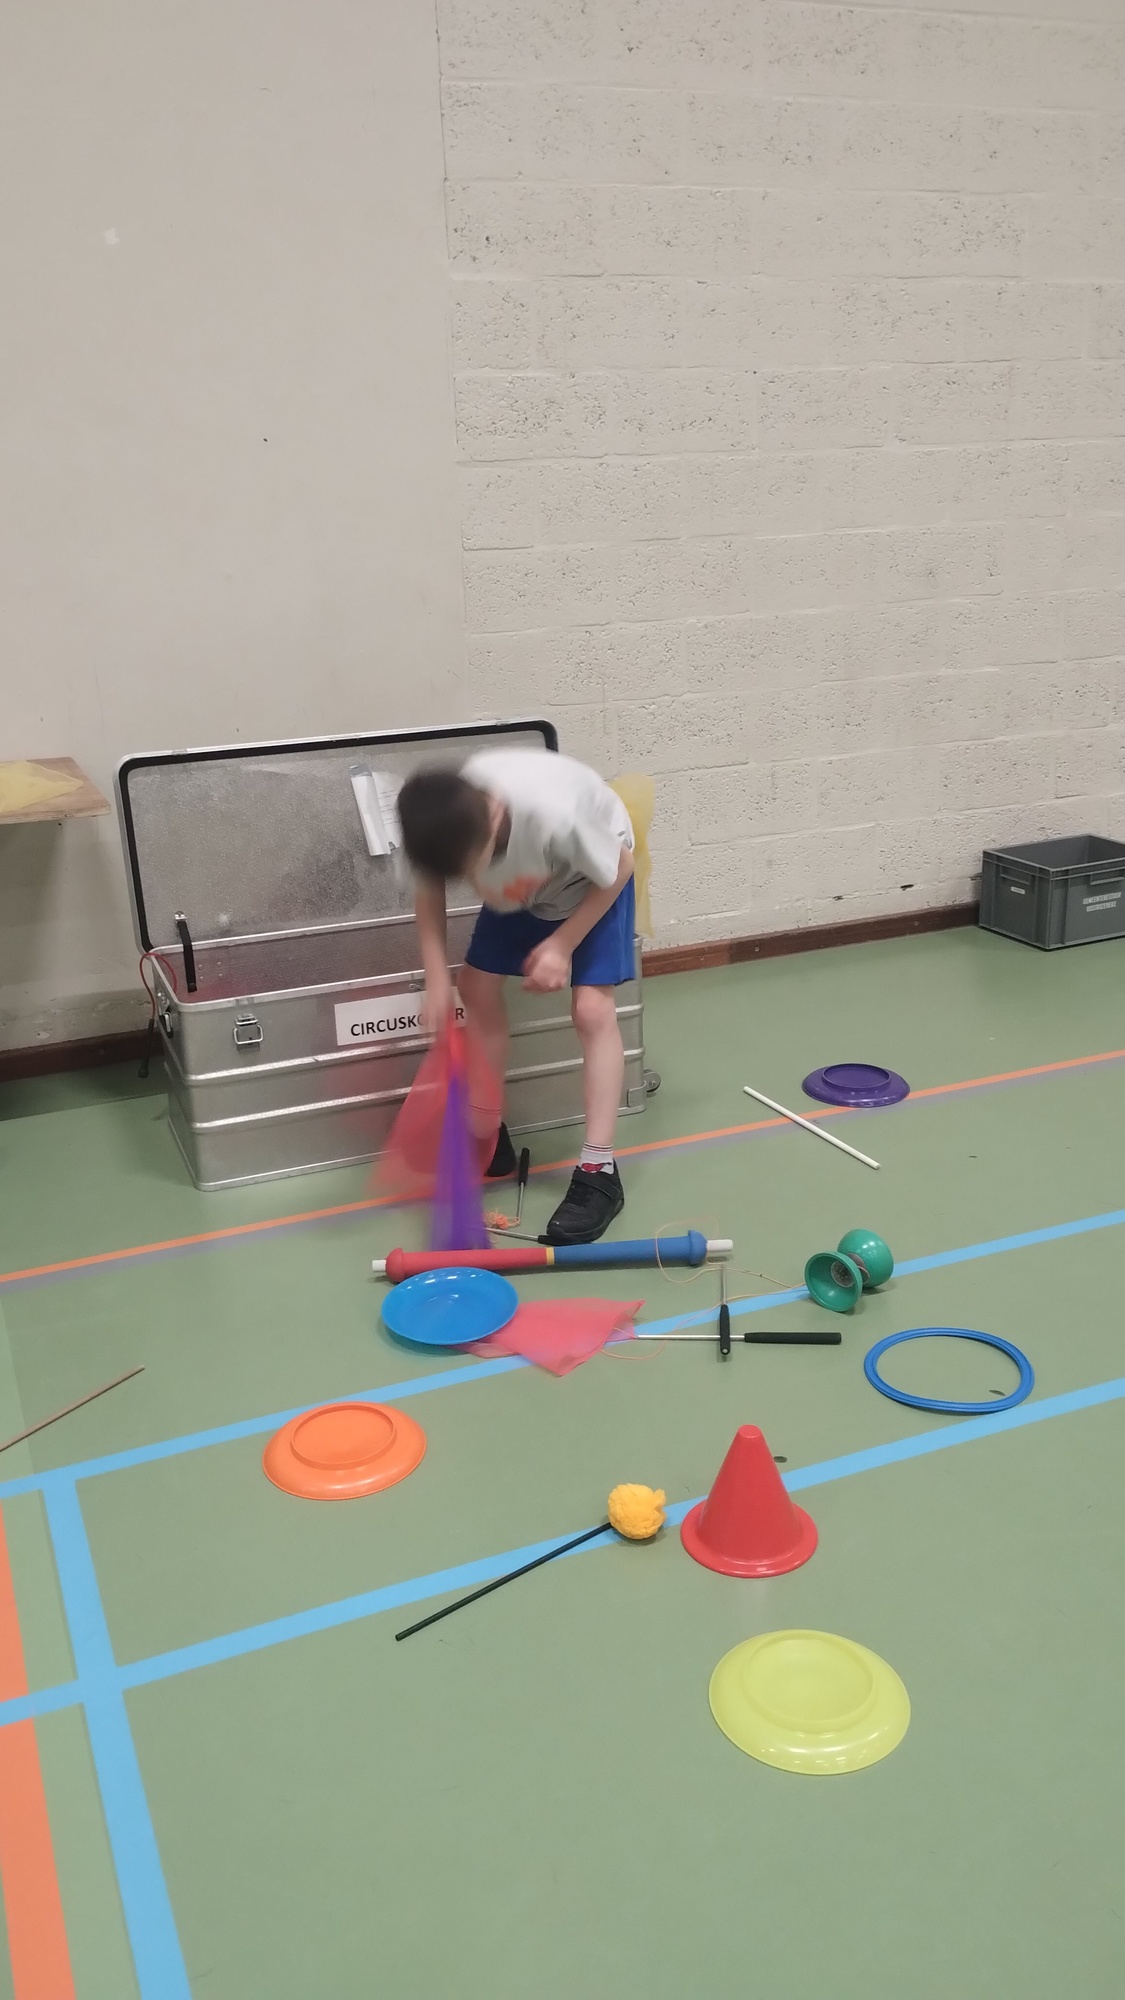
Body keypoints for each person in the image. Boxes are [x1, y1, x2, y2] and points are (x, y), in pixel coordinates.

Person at [396, 747, 637, 1245]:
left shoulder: (556, 814)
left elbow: (621, 867)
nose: (467, 881)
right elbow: (428, 888)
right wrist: (436, 977)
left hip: (592, 881)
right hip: (523, 887)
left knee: (592, 1009)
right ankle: (488, 1137)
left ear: (494, 818)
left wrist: (562, 944)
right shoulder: (439, 816)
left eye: (470, 869)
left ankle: (599, 1170)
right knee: (474, 985)